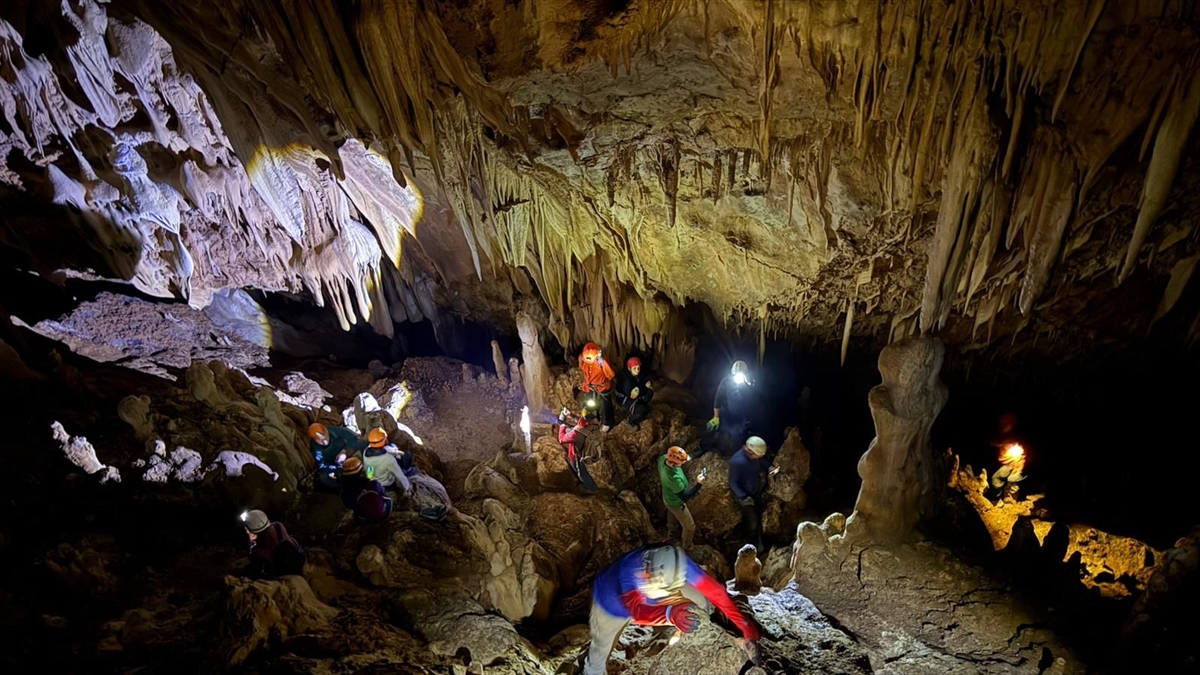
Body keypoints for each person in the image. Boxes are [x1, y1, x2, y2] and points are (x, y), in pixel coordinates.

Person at [582, 544, 761, 675]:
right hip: (610, 602)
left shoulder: (677, 562)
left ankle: (687, 639)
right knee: (602, 648)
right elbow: (636, 612)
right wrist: (670, 613)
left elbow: (716, 593)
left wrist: (743, 623)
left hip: (655, 588)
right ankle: (591, 671)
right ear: (647, 573)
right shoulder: (630, 571)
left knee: (698, 600)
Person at [657, 446, 705, 550]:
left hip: (668, 497)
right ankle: (686, 547)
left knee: (672, 517)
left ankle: (671, 536)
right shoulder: (675, 479)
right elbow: (684, 496)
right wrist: (699, 484)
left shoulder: (663, 459)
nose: (683, 463)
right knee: (690, 527)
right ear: (674, 464)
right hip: (676, 503)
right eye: (681, 462)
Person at [729, 436, 768, 552]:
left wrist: (770, 467)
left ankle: (760, 541)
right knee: (753, 523)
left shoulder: (753, 458)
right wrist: (743, 496)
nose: (759, 458)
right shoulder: (738, 461)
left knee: (761, 514)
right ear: (749, 452)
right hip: (744, 495)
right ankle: (751, 547)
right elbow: (733, 482)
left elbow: (761, 462)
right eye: (758, 455)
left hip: (754, 490)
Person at [241, 509, 306, 578]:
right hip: (297, 553)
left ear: (255, 533)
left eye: (247, 529)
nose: (246, 530)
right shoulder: (277, 527)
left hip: (287, 568)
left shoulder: (261, 551)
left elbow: (258, 558)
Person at [707, 361, 756, 449]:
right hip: (727, 415)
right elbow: (718, 399)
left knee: (738, 438)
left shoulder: (748, 382)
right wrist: (716, 417)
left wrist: (747, 382)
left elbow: (753, 399)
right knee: (718, 432)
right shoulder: (726, 382)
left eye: (741, 373)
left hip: (742, 418)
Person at [308, 422, 367, 490]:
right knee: (323, 477)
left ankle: (367, 465)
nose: (324, 442)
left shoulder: (333, 430)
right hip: (335, 464)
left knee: (362, 442)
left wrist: (344, 451)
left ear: (327, 431)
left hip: (346, 453)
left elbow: (353, 437)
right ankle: (346, 488)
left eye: (325, 438)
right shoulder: (316, 449)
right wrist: (337, 467)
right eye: (321, 441)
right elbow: (322, 465)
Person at [339, 457, 393, 523]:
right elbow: (382, 490)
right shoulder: (373, 484)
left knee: (356, 512)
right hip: (384, 513)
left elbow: (349, 505)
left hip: (364, 519)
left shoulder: (345, 492)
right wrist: (370, 479)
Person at [578, 342, 616, 431]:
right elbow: (582, 369)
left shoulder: (601, 362)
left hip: (602, 386)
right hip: (590, 386)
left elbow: (610, 374)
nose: (587, 360)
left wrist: (603, 363)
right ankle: (592, 418)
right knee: (589, 402)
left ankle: (608, 422)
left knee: (605, 404)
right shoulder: (581, 359)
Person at [363, 428, 412, 495]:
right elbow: (400, 476)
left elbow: (370, 469)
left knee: (392, 446)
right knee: (408, 455)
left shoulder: (366, 451)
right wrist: (407, 488)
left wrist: (371, 479)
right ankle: (408, 470)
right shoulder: (388, 459)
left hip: (374, 481)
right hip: (387, 484)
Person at [614, 356, 654, 429]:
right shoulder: (626, 380)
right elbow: (631, 394)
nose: (637, 370)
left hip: (632, 395)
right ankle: (630, 420)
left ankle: (640, 406)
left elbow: (640, 384)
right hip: (625, 400)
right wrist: (642, 389)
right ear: (629, 368)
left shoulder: (635, 375)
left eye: (638, 368)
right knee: (644, 410)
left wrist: (641, 388)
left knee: (650, 392)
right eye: (634, 368)